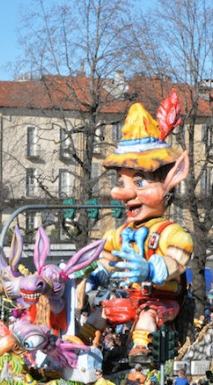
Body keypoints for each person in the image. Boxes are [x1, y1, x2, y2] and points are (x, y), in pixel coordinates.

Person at [82, 92, 193, 363]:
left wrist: (151, 269)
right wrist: (93, 277)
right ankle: (82, 345)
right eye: (122, 183)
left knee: (147, 317)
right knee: (103, 312)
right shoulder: (119, 234)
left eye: (140, 183)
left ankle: (140, 352)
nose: (124, 194)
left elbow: (177, 261)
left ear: (170, 180)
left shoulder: (170, 232)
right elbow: (107, 260)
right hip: (131, 299)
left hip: (163, 303)